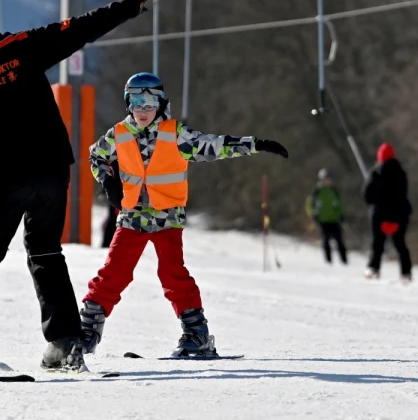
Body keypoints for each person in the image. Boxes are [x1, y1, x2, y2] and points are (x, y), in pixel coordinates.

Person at [0, 0, 162, 373]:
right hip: (51, 169)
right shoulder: (21, 47)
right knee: (46, 252)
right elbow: (80, 28)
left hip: (3, 174)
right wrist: (130, 7)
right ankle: (65, 344)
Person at [77, 73, 290, 356]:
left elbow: (214, 145)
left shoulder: (175, 134)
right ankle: (87, 330)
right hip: (132, 216)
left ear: (161, 104)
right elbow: (96, 156)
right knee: (114, 272)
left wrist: (254, 144)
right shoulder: (118, 133)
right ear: (128, 104)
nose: (142, 110)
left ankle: (196, 334)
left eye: (149, 103)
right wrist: (107, 179)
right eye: (136, 103)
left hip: (167, 218)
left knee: (173, 274)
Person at [363, 142, 412, 281]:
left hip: (379, 215)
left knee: (377, 244)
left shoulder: (375, 173)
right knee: (400, 244)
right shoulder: (401, 174)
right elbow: (403, 194)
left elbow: (367, 197)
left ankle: (374, 269)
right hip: (399, 214)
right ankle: (406, 273)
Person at [306, 167, 347, 265]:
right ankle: (328, 261)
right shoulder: (317, 192)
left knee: (339, 240)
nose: (328, 181)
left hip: (334, 220)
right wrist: (313, 214)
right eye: (326, 179)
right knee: (326, 241)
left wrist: (341, 215)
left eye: (329, 179)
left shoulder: (334, 191)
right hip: (323, 220)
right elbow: (310, 204)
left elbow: (339, 205)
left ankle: (344, 260)